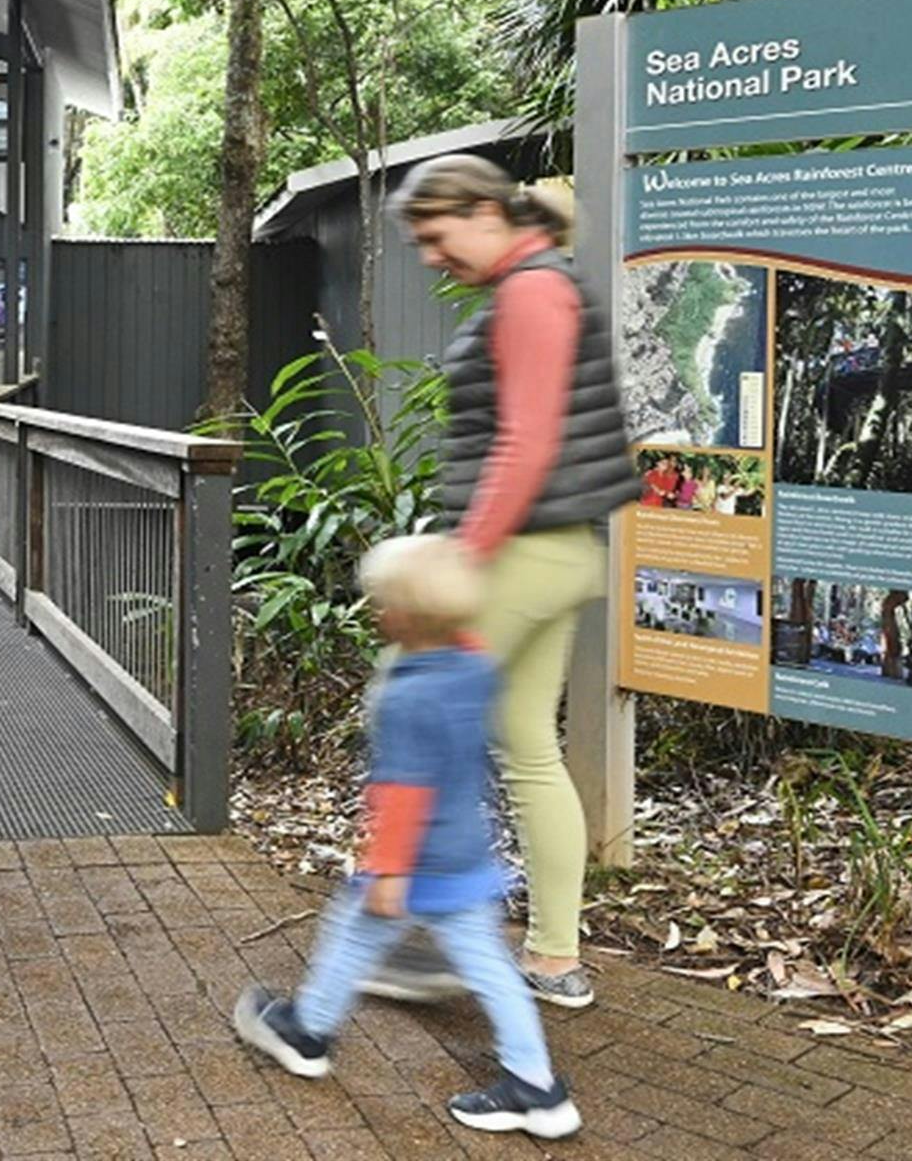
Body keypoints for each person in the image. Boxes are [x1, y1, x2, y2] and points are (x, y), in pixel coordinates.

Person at [364, 156, 640, 1011]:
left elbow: (523, 443)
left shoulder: (531, 292)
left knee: (403, 697)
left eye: (435, 237)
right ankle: (553, 960)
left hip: (523, 549)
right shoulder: (538, 283)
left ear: (485, 211)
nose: (430, 257)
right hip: (559, 549)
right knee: (524, 741)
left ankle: (439, 929)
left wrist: (462, 557)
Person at [233, 535, 582, 1139]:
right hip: (469, 852)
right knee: (492, 969)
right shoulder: (476, 667)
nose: (373, 611)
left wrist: (390, 870)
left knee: (350, 934)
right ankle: (536, 1085)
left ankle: (308, 1032)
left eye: (379, 603)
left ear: (396, 617)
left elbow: (402, 793)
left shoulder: (405, 697)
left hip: (415, 862)